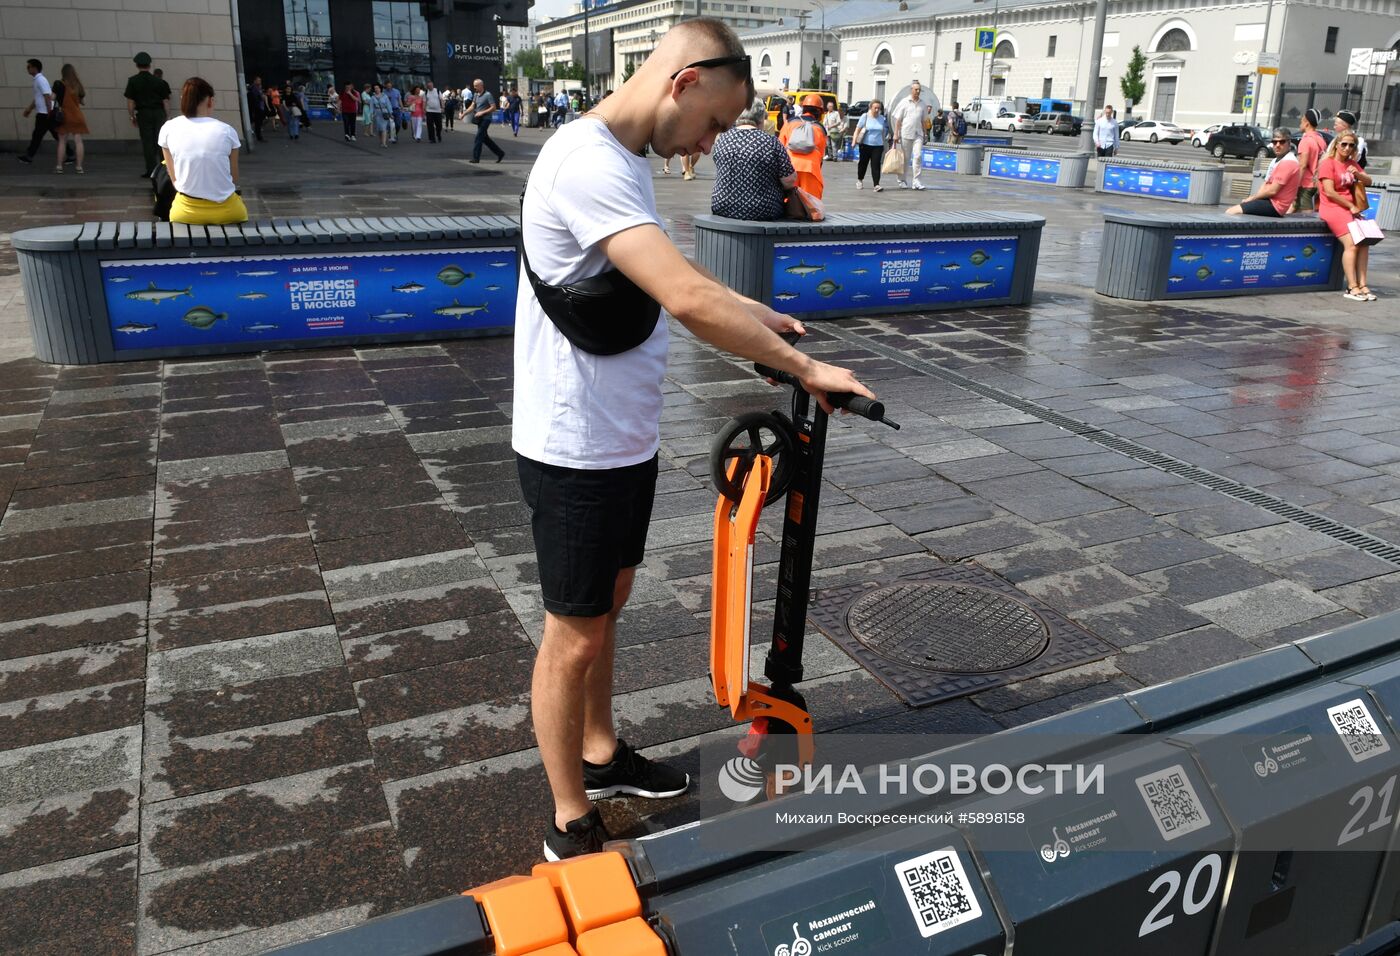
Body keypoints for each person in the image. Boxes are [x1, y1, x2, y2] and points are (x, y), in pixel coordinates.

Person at [516, 17, 872, 861]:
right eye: (715, 123)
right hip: (574, 447)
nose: (711, 145)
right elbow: (678, 296)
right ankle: (570, 819)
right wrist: (802, 368)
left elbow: (664, 266)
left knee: (607, 607)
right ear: (683, 82)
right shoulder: (585, 160)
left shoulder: (622, 162)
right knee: (574, 632)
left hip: (619, 438)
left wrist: (756, 315)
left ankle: (601, 757)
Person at [158, 77, 247, 226]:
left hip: (185, 212)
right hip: (227, 212)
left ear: (183, 100)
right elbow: (234, 178)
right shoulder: (227, 131)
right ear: (210, 101)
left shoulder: (168, 128)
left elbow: (174, 179)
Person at [710, 97, 797, 221]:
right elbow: (789, 180)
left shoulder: (722, 139)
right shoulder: (771, 142)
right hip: (762, 209)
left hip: (722, 205)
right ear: (761, 118)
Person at [1316, 132, 1375, 302]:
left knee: (1365, 242)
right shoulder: (1328, 164)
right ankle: (1351, 287)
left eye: (1351, 145)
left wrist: (1358, 174)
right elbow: (1329, 192)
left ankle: (1363, 285)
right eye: (1344, 144)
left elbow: (1368, 181)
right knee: (1352, 244)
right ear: (1336, 144)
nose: (1347, 148)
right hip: (1333, 207)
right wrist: (1350, 206)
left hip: (1351, 209)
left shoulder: (1352, 163)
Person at [1227, 127, 1300, 218]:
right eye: (1274, 142)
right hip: (1269, 201)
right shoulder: (1276, 161)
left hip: (1275, 206)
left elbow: (1272, 190)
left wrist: (1252, 198)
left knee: (1231, 212)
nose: (1277, 145)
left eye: (1282, 142)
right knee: (1235, 209)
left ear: (1289, 143)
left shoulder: (1289, 162)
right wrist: (1252, 199)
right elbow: (1266, 183)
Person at [124, 52, 171, 174]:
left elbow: (130, 101)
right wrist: (167, 116)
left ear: (137, 65)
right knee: (160, 140)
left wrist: (131, 116)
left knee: (147, 142)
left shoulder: (133, 81)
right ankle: (164, 168)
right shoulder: (159, 81)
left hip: (144, 113)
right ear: (149, 65)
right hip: (158, 113)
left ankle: (151, 170)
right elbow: (165, 101)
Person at [779, 93, 828, 199]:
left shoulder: (790, 123)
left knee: (788, 200)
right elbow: (820, 156)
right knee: (811, 203)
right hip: (811, 168)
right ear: (820, 112)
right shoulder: (820, 129)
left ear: (803, 108)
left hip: (790, 167)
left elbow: (780, 147)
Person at [891, 80, 931, 190]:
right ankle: (902, 180)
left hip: (918, 133)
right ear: (911, 90)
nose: (918, 91)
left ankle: (916, 181)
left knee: (918, 156)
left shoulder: (923, 104)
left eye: (919, 90)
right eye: (916, 89)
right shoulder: (904, 102)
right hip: (906, 133)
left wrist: (925, 134)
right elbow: (898, 120)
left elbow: (924, 121)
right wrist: (896, 134)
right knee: (906, 158)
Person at [52, 63, 88, 173]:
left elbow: (52, 98)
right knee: (78, 141)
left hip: (64, 116)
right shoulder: (78, 85)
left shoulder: (59, 84)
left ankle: (59, 167)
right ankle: (79, 167)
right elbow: (82, 102)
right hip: (77, 115)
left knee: (62, 141)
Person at [1292, 107, 1327, 213]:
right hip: (1317, 183)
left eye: (1301, 120)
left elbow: (1302, 165)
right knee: (1293, 210)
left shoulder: (1305, 141)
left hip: (1305, 184)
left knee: (1305, 216)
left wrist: (1295, 185)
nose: (1300, 123)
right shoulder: (1321, 140)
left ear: (1306, 123)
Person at [853, 99, 890, 191]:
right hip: (865, 145)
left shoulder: (882, 118)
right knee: (863, 164)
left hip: (878, 145)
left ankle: (876, 185)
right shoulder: (865, 116)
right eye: (875, 108)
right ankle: (860, 180)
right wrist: (854, 141)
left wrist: (885, 142)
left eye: (879, 108)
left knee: (876, 165)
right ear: (871, 108)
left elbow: (884, 131)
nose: (877, 110)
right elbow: (857, 130)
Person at [470, 78, 505, 164]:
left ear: (481, 85)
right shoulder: (476, 95)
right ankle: (500, 153)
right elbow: (472, 106)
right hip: (479, 120)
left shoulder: (488, 95)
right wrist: (463, 114)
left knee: (478, 138)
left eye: (476, 86)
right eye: (474, 86)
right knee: (485, 139)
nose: (475, 87)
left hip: (486, 119)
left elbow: (493, 107)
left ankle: (476, 158)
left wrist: (482, 112)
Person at [245, 74, 268, 142]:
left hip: (259, 107)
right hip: (257, 107)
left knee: (259, 121)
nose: (260, 81)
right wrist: (261, 97)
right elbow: (256, 98)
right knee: (258, 122)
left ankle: (258, 135)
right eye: (258, 80)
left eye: (260, 80)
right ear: (255, 81)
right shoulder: (254, 88)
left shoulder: (258, 88)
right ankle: (258, 136)